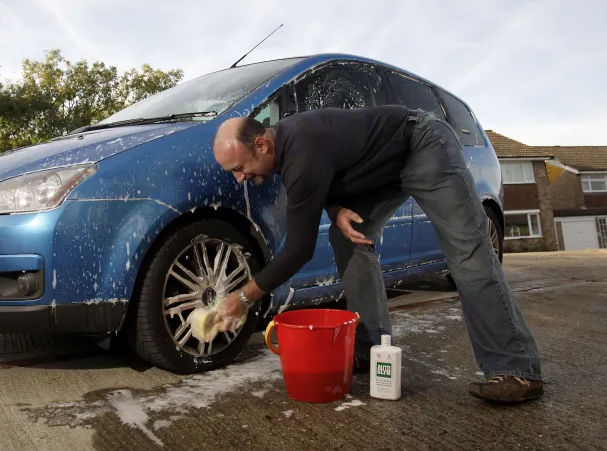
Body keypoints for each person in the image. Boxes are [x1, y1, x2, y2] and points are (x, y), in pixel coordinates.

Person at [211, 105, 543, 404]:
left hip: (421, 146)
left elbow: (299, 249)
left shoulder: (300, 144)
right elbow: (322, 175)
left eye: (239, 167)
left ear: (261, 144)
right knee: (350, 240)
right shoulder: (288, 149)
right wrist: (336, 206)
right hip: (382, 175)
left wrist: (244, 297)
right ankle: (370, 350)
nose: (240, 178)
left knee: (467, 251)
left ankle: (515, 370)